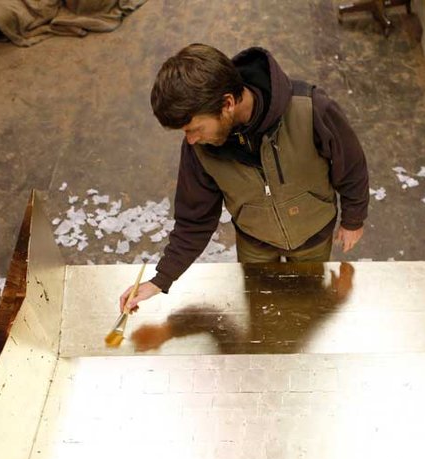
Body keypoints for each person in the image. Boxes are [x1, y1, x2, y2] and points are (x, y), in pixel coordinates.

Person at [119, 44, 369, 313]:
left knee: (307, 303)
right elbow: (194, 221)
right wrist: (161, 279)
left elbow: (351, 164)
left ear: (227, 103)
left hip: (314, 236)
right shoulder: (198, 149)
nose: (190, 139)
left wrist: (353, 218)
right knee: (261, 308)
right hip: (254, 244)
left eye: (195, 129)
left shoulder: (310, 109)